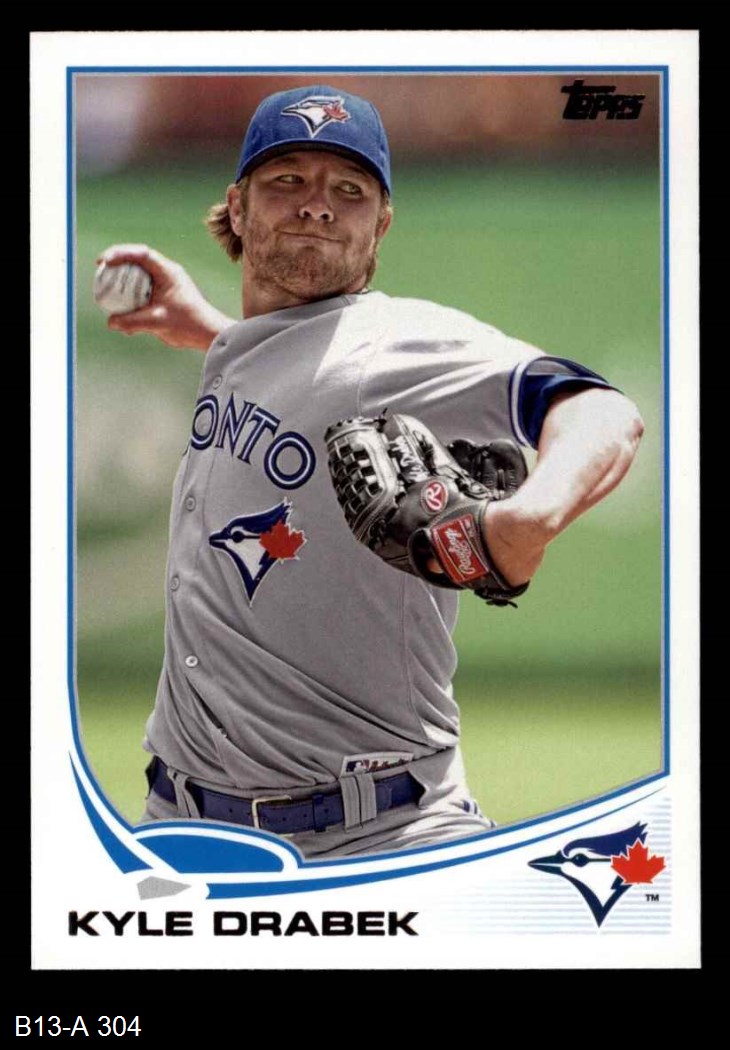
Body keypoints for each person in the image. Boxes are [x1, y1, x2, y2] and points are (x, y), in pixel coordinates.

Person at [98, 85, 644, 859]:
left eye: (349, 190)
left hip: (377, 833)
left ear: (380, 224)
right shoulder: (247, 349)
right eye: (288, 179)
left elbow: (602, 412)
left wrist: (525, 521)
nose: (317, 205)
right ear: (238, 208)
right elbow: (306, 389)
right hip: (181, 827)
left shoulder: (393, 341)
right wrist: (215, 333)